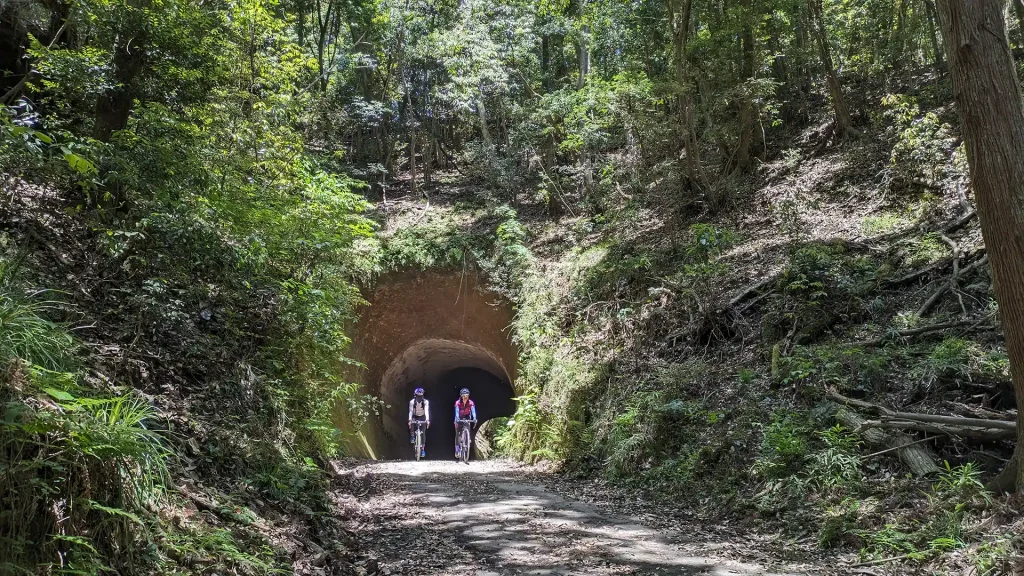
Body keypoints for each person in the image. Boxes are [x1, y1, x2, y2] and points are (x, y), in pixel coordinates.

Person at [453, 388, 476, 459]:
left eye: (466, 396)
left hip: (467, 417)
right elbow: (456, 411)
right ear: (461, 396)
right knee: (458, 435)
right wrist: (457, 419)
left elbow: (473, 411)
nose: (465, 397)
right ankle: (457, 450)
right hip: (459, 417)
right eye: (464, 396)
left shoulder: (471, 402)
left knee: (468, 427)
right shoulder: (458, 403)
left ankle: (467, 439)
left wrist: (474, 418)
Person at [408, 387, 430, 458]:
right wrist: (409, 420)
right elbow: (411, 411)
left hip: (422, 416)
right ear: (415, 396)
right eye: (418, 396)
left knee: (423, 432)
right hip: (415, 416)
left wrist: (427, 420)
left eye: (421, 396)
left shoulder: (426, 402)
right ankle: (412, 436)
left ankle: (422, 449)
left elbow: (426, 410)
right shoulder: (412, 402)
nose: (419, 397)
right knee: (412, 423)